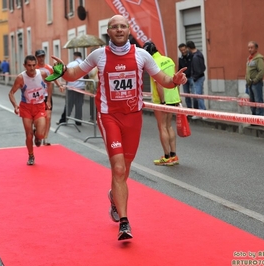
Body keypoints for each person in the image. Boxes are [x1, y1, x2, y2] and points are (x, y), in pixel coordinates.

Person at [47, 15, 187, 241]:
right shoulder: (98, 55)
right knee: (119, 168)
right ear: (109, 31)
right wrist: (63, 69)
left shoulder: (141, 55)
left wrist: (175, 80)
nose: (120, 30)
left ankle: (114, 195)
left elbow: (163, 79)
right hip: (108, 116)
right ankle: (124, 222)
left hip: (133, 118)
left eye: (123, 26)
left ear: (128, 30)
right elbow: (74, 74)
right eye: (115, 27)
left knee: (125, 168)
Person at [8, 55, 52, 165]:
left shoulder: (42, 74)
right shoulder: (20, 78)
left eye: (33, 65)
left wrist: (48, 100)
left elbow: (50, 84)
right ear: (24, 66)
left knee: (41, 135)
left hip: (39, 106)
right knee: (28, 134)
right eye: (29, 66)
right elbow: (11, 93)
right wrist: (15, 105)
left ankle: (37, 135)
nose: (31, 68)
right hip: (26, 107)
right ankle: (31, 155)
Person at [143, 41, 181, 166]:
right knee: (169, 126)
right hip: (173, 97)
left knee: (162, 127)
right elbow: (175, 78)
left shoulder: (154, 63)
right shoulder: (168, 60)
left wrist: (162, 101)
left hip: (162, 100)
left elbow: (159, 84)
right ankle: (174, 155)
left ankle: (166, 156)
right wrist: (177, 98)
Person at [35, 49, 64, 145]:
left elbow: (54, 78)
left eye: (42, 56)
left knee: (48, 117)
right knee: (38, 118)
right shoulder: (34, 68)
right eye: (39, 56)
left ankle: (45, 138)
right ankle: (38, 133)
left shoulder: (49, 68)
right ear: (36, 58)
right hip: (36, 97)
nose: (41, 58)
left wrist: (59, 85)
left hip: (47, 95)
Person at [57, 52, 86, 126]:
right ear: (81, 56)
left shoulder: (71, 64)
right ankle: (78, 121)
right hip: (81, 87)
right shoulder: (84, 63)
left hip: (71, 87)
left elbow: (66, 74)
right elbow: (86, 75)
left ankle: (64, 120)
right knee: (79, 105)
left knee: (69, 104)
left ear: (75, 56)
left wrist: (66, 85)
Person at [186, 41, 206, 119]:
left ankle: (203, 112)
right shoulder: (199, 54)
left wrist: (194, 78)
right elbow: (203, 67)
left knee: (198, 95)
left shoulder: (195, 57)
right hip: (200, 77)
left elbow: (197, 70)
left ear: (189, 48)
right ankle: (200, 112)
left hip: (198, 78)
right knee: (198, 95)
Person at [245, 41, 264, 116]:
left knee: (258, 101)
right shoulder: (249, 59)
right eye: (248, 48)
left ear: (256, 48)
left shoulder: (259, 58)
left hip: (256, 84)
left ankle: (259, 118)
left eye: (251, 47)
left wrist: (256, 80)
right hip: (249, 84)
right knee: (252, 102)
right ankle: (254, 118)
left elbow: (262, 71)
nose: (250, 49)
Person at [178, 43, 197, 109]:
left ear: (186, 48)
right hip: (184, 78)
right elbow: (180, 69)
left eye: (184, 49)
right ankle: (189, 110)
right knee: (186, 95)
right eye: (181, 50)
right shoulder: (180, 58)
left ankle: (196, 110)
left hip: (192, 77)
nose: (183, 51)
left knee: (194, 94)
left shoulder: (192, 56)